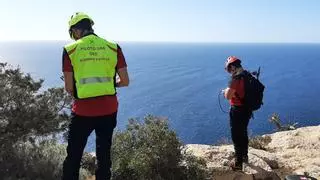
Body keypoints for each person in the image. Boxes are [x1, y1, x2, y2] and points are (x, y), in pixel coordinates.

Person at [62, 12, 129, 180]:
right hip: (109, 110)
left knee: (74, 156)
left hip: (83, 112)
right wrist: (110, 84)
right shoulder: (113, 47)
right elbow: (125, 81)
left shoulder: (71, 50)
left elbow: (69, 88)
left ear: (76, 31)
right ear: (90, 26)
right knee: (104, 154)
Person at [223, 56, 252, 171]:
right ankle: (245, 156)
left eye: (229, 69)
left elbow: (228, 96)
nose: (229, 72)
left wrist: (225, 91)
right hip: (247, 109)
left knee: (236, 135)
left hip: (237, 110)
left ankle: (238, 163)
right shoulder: (247, 75)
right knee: (243, 132)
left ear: (233, 67)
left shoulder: (235, 79)